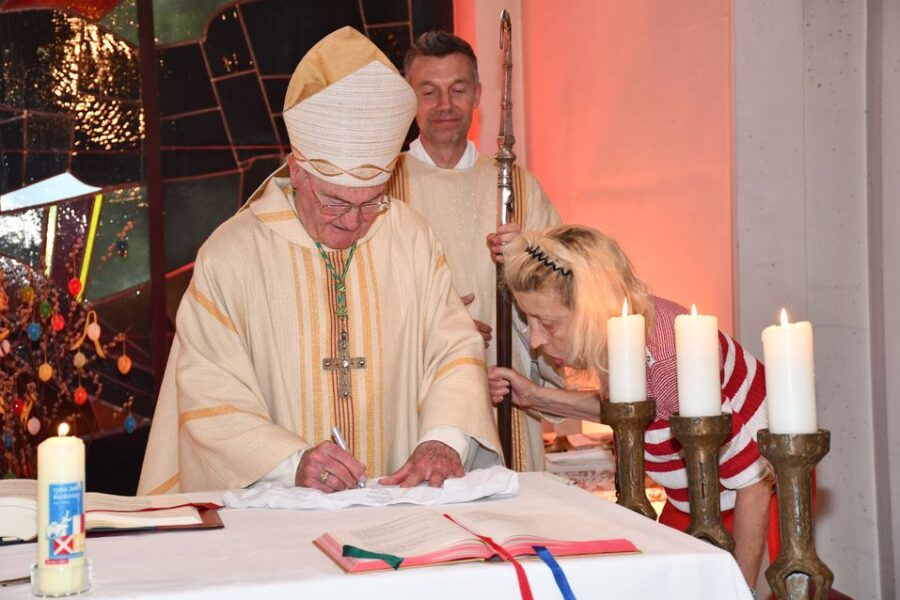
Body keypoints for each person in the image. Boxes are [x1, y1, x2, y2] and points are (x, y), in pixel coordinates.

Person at [138, 27, 501, 496]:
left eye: (371, 202)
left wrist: (443, 441)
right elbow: (209, 391)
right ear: (296, 171)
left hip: (399, 513)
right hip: (277, 517)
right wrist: (289, 462)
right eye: (334, 203)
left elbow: (452, 349)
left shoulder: (409, 237)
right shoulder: (232, 255)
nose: (353, 223)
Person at [487, 225, 773, 589]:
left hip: (752, 501)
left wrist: (740, 589)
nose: (537, 339)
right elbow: (638, 413)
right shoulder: (623, 333)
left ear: (589, 310)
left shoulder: (669, 361)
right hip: (698, 496)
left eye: (548, 323)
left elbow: (754, 480)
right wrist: (536, 396)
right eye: (530, 321)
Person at [386, 31, 562, 471]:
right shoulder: (384, 187)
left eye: (458, 89)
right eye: (429, 91)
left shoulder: (518, 188)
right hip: (415, 402)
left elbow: (566, 293)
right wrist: (443, 327)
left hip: (507, 400)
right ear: (409, 97)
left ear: (479, 93)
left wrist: (528, 261)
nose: (444, 104)